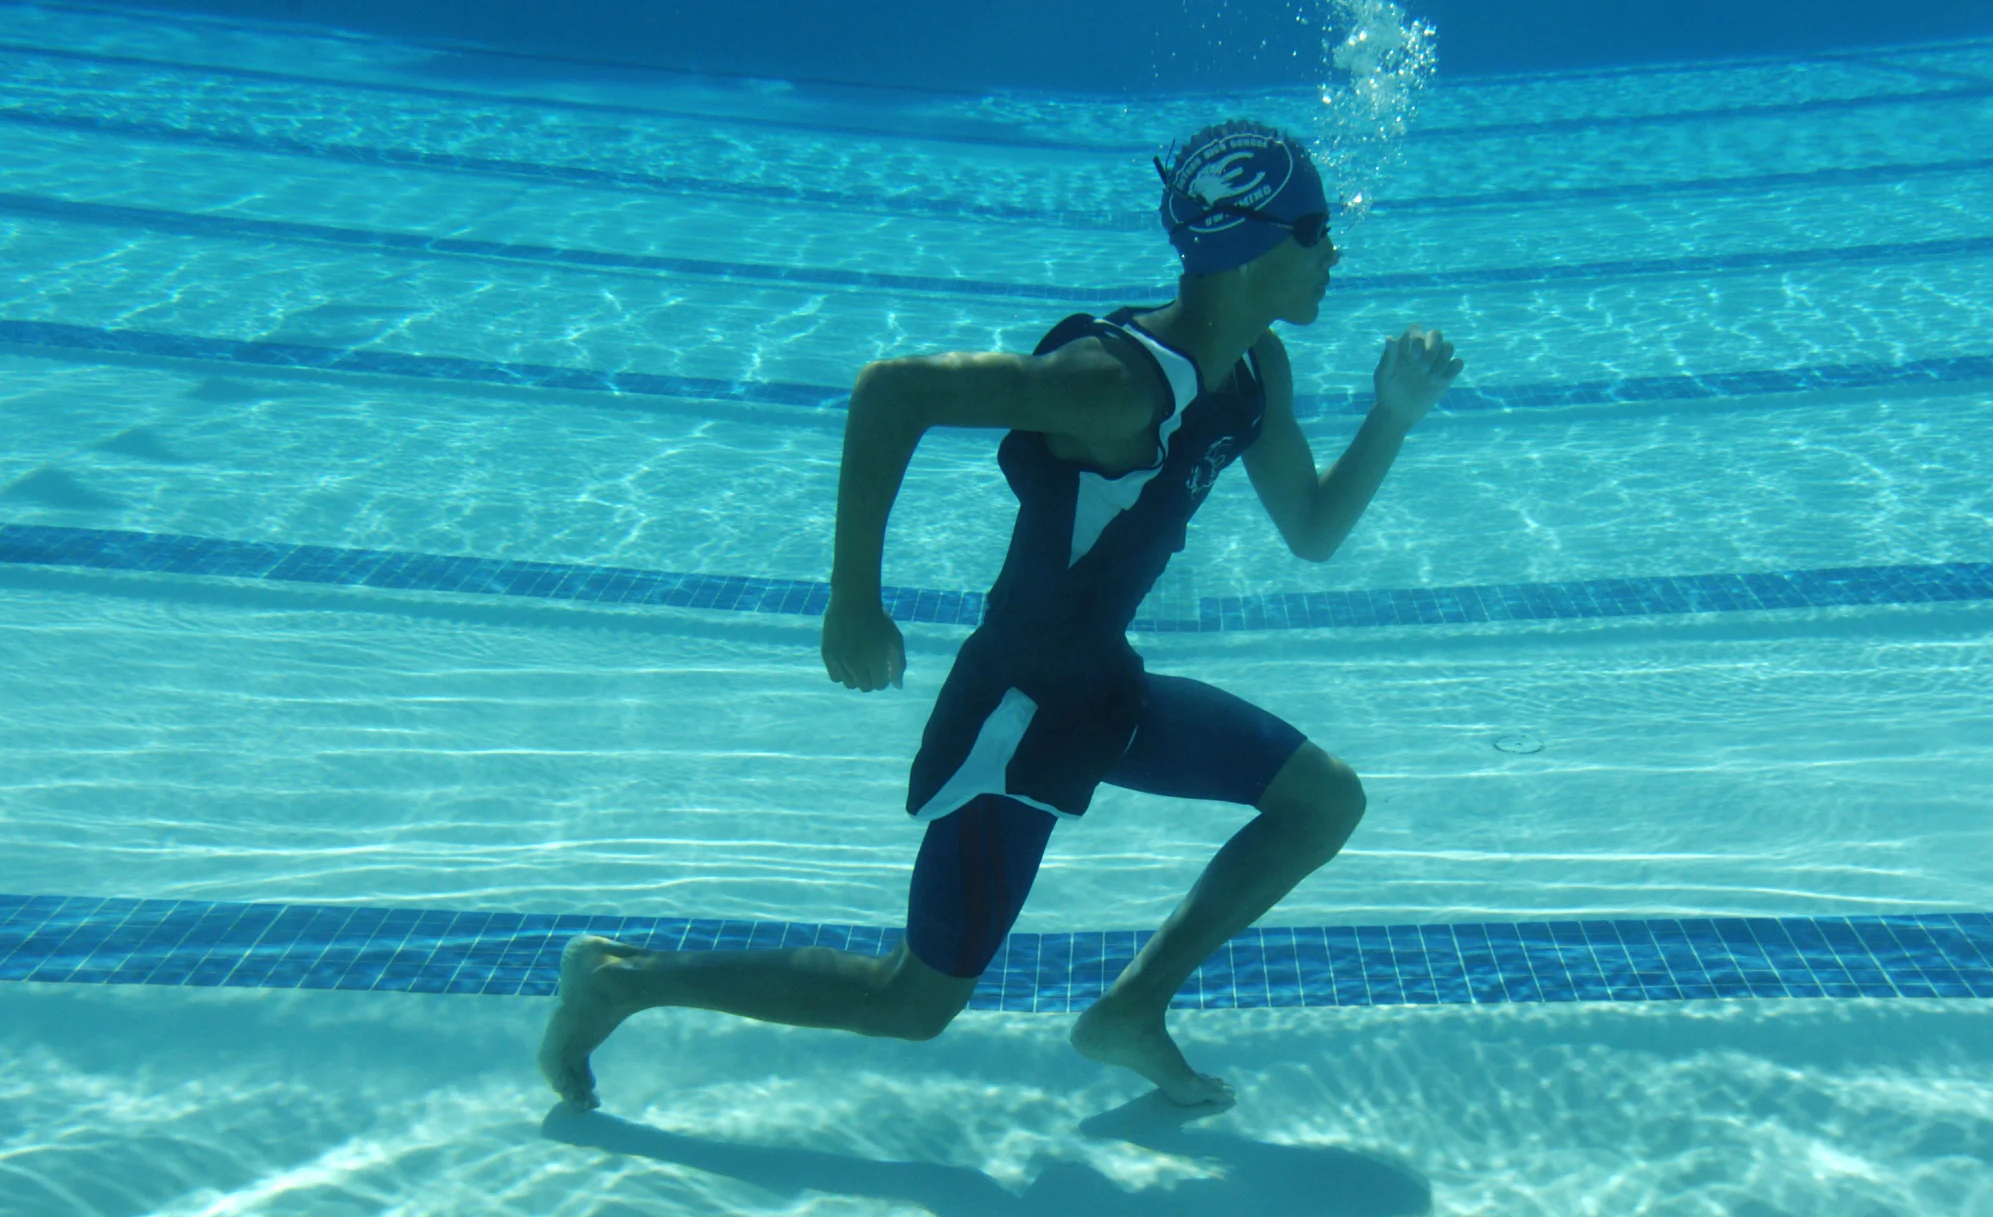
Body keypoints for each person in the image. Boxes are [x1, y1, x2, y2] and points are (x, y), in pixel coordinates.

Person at [539, 120, 1463, 1111]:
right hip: (1017, 716)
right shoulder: (1112, 387)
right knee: (912, 1002)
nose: (1334, 251)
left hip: (1102, 687)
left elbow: (1313, 528)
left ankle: (1132, 1010)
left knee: (1321, 800)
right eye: (1316, 226)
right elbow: (893, 393)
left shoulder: (1252, 373)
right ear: (1250, 240)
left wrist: (1392, 415)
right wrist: (854, 602)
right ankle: (622, 980)